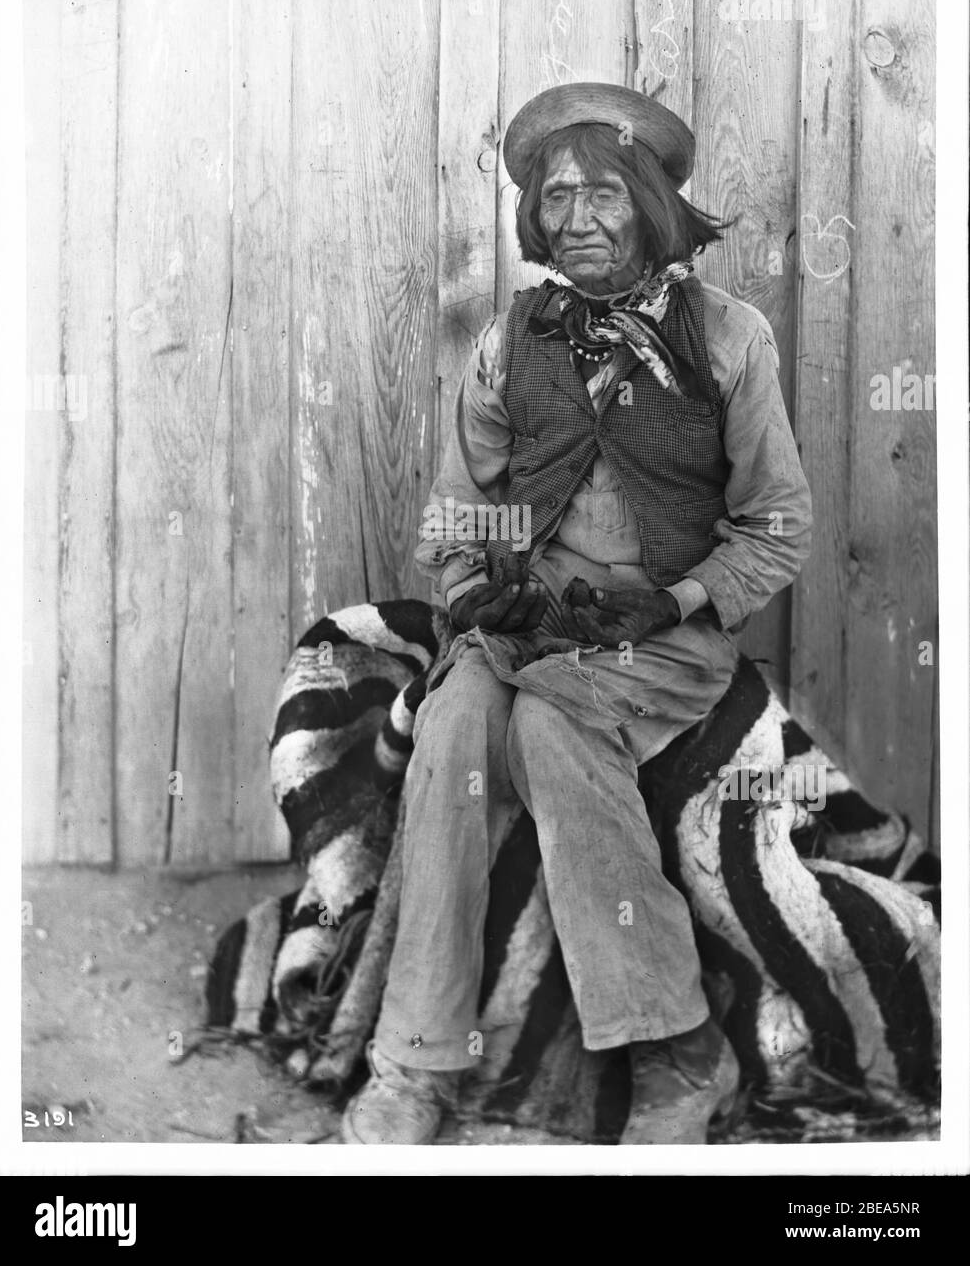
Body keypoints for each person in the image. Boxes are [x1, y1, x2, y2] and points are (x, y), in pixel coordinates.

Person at [340, 82, 812, 1145]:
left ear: (649, 201)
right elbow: (462, 509)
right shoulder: (512, 341)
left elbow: (777, 527)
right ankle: (414, 1061)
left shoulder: (728, 338)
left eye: (602, 194)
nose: (576, 220)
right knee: (458, 722)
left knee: (552, 725)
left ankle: (683, 1055)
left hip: (658, 639)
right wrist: (477, 587)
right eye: (554, 199)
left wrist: (680, 597)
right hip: (525, 628)